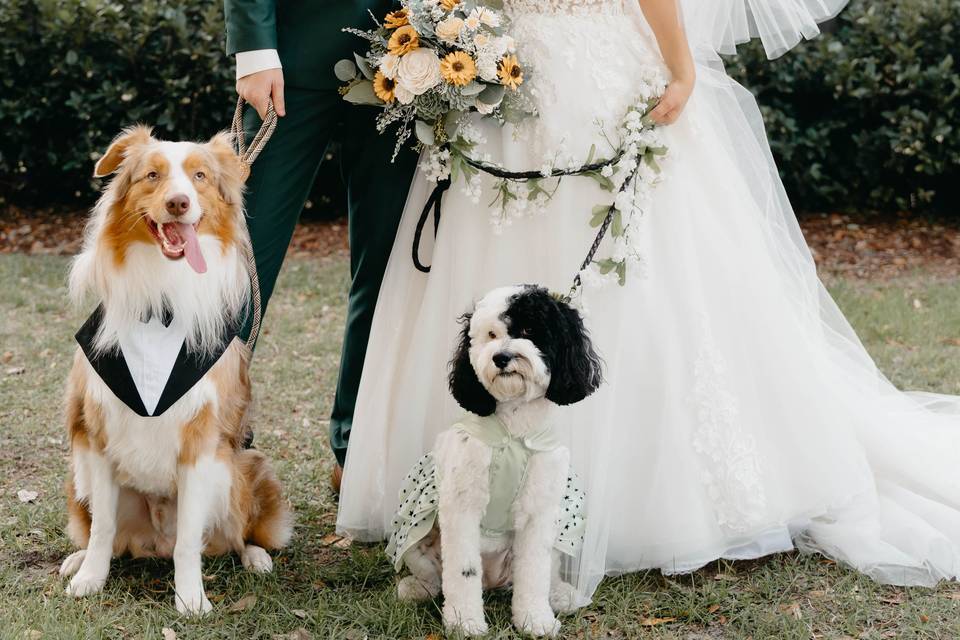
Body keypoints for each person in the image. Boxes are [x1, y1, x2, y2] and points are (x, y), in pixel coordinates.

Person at [336, 0, 960, 604]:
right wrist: (447, 40)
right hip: (498, 80)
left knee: (635, 275)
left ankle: (630, 500)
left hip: (594, 79)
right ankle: (480, 490)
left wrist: (681, 68)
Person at [223, 0, 418, 487]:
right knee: (239, 255)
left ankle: (357, 449)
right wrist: (253, 46)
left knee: (387, 267)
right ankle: (206, 440)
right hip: (288, 60)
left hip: (413, 64)